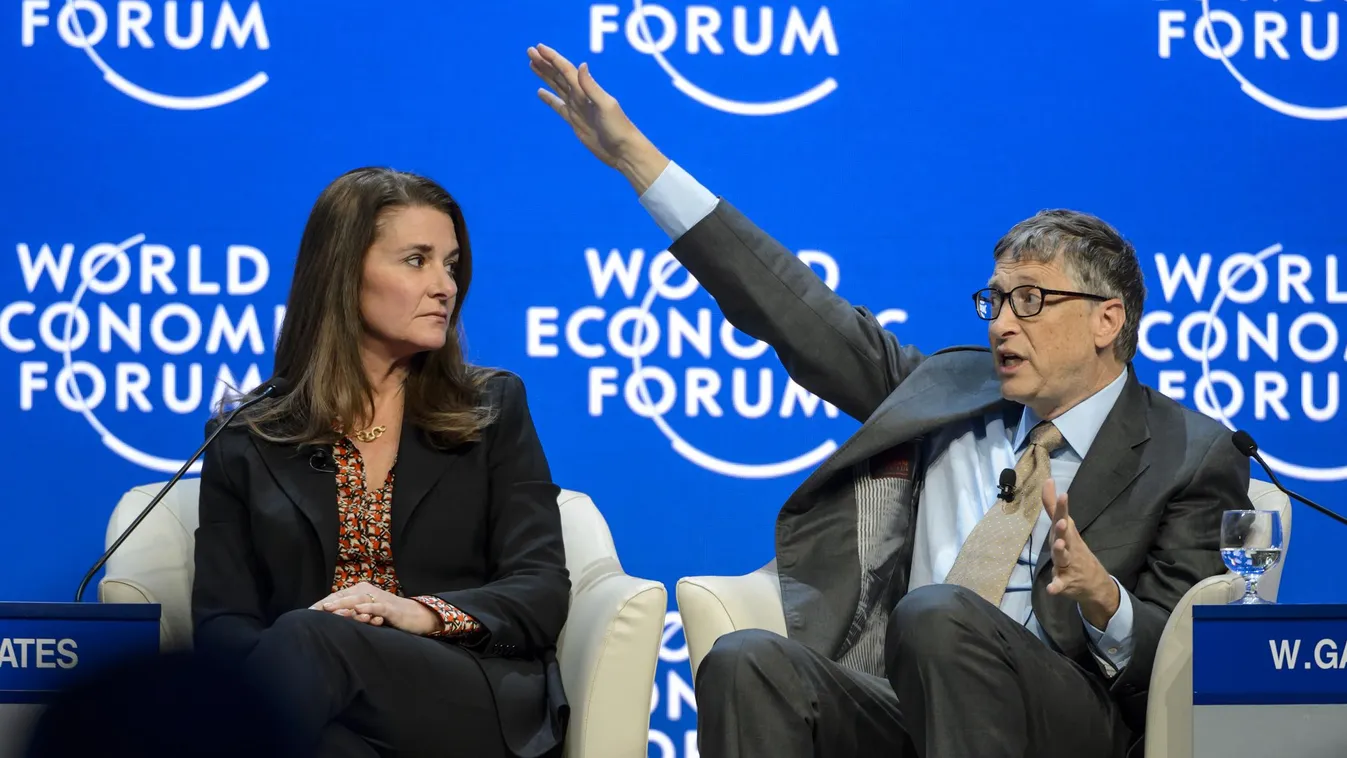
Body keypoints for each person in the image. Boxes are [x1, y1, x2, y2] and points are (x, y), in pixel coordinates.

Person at [526, 44, 1251, 758]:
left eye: (1029, 300)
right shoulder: (946, 389)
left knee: (938, 613)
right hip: (905, 702)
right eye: (993, 301)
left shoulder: (1188, 453)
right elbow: (789, 305)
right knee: (749, 660)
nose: (1001, 322)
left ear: (1107, 318)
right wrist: (635, 160)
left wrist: (1103, 600)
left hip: (1066, 714)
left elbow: (1187, 664)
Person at [191, 167, 571, 758]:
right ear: (342, 275)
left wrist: (419, 614)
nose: (445, 285)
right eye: (416, 260)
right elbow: (223, 626)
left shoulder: (492, 408)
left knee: (314, 637)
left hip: (469, 696)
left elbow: (540, 588)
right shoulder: (247, 437)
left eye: (450, 263)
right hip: (320, 707)